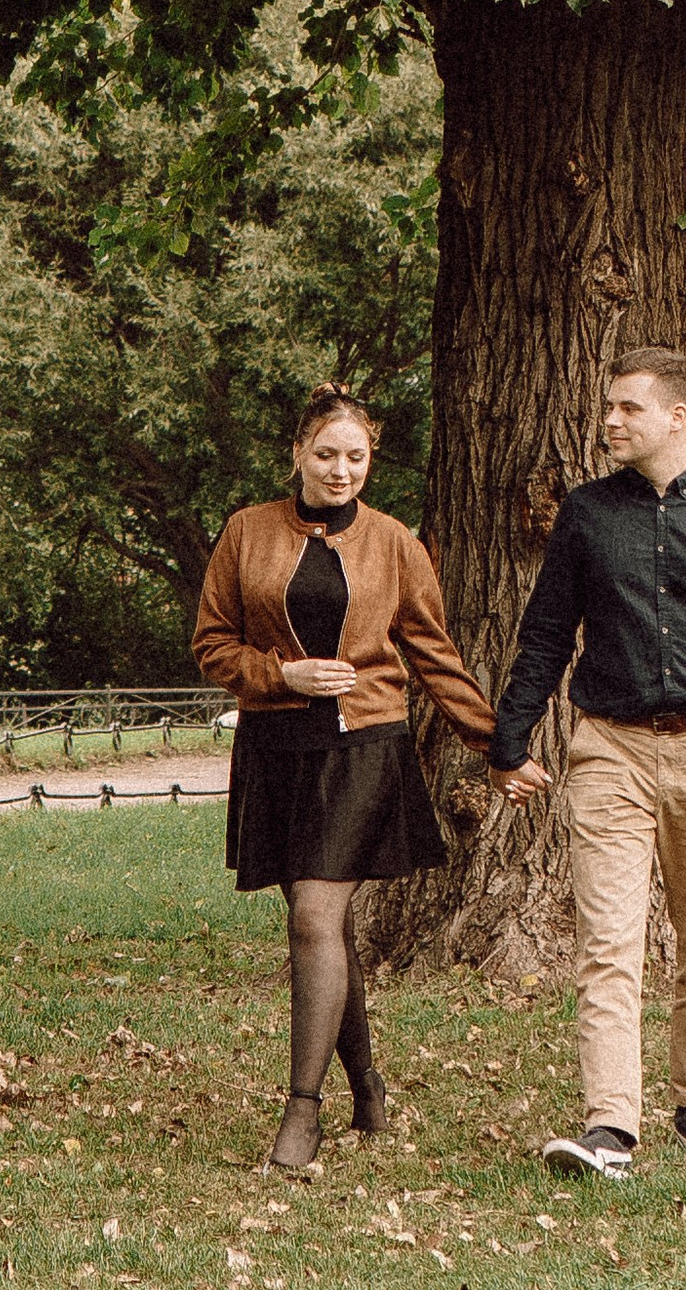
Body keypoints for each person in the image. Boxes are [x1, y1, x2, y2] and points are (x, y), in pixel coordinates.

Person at [491, 343, 686, 1176]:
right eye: (608, 406)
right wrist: (510, 740)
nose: (609, 421)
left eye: (627, 407)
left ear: (678, 416)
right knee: (609, 942)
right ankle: (610, 1128)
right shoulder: (586, 515)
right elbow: (546, 635)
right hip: (610, 751)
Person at [193, 383, 497, 1174]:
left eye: (356, 458)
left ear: (370, 461)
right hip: (276, 747)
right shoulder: (245, 533)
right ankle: (367, 1084)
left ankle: (304, 1113)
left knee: (315, 917)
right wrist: (277, 675)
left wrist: (493, 740)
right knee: (322, 926)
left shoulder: (395, 542)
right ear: (297, 454)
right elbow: (211, 644)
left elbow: (431, 651)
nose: (340, 472)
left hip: (365, 746)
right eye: (326, 455)